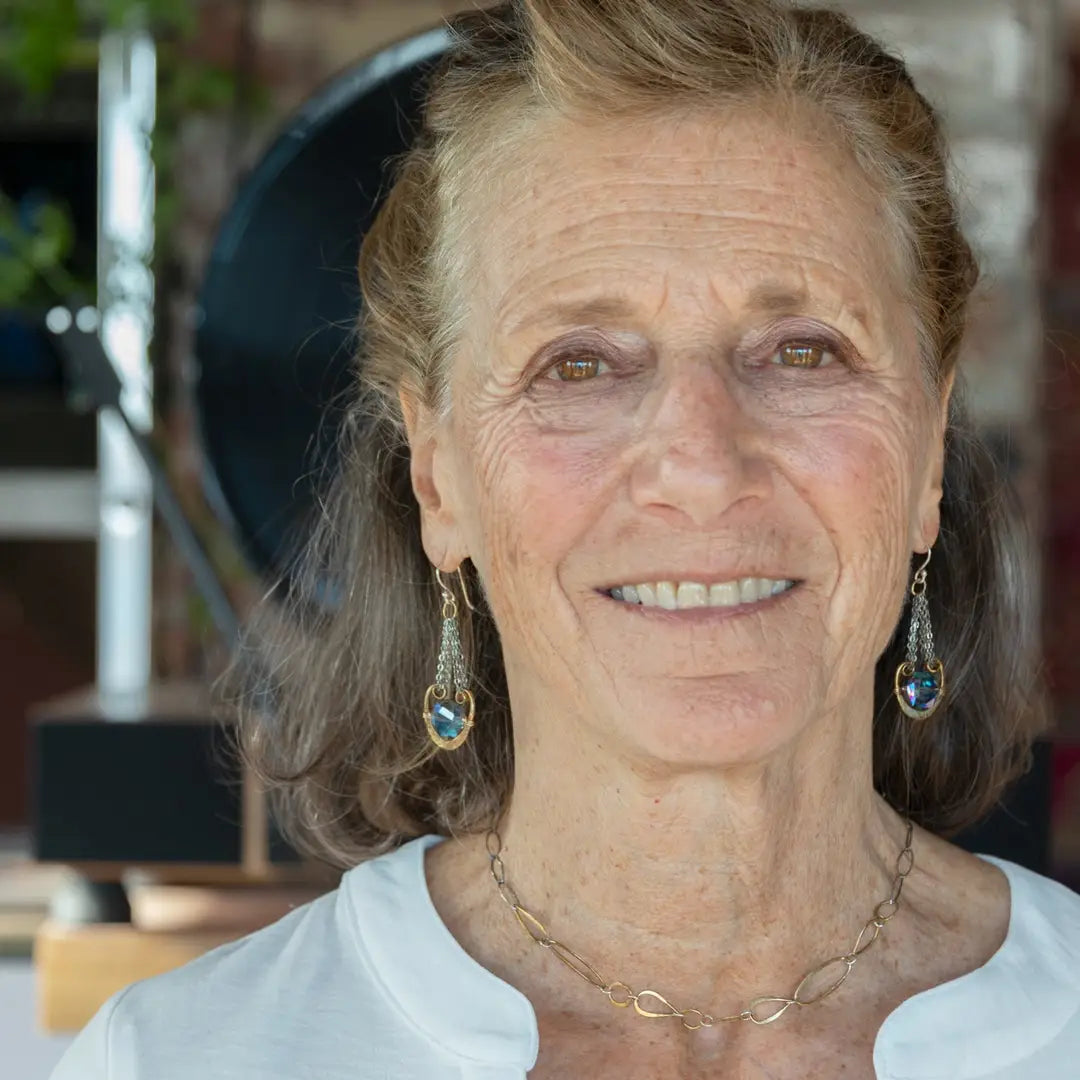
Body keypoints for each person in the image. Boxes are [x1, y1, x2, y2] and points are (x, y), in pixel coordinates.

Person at [52, 1, 1080, 1077]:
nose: (698, 464)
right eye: (579, 365)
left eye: (804, 352)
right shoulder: (178, 1059)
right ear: (438, 476)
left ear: (926, 452)